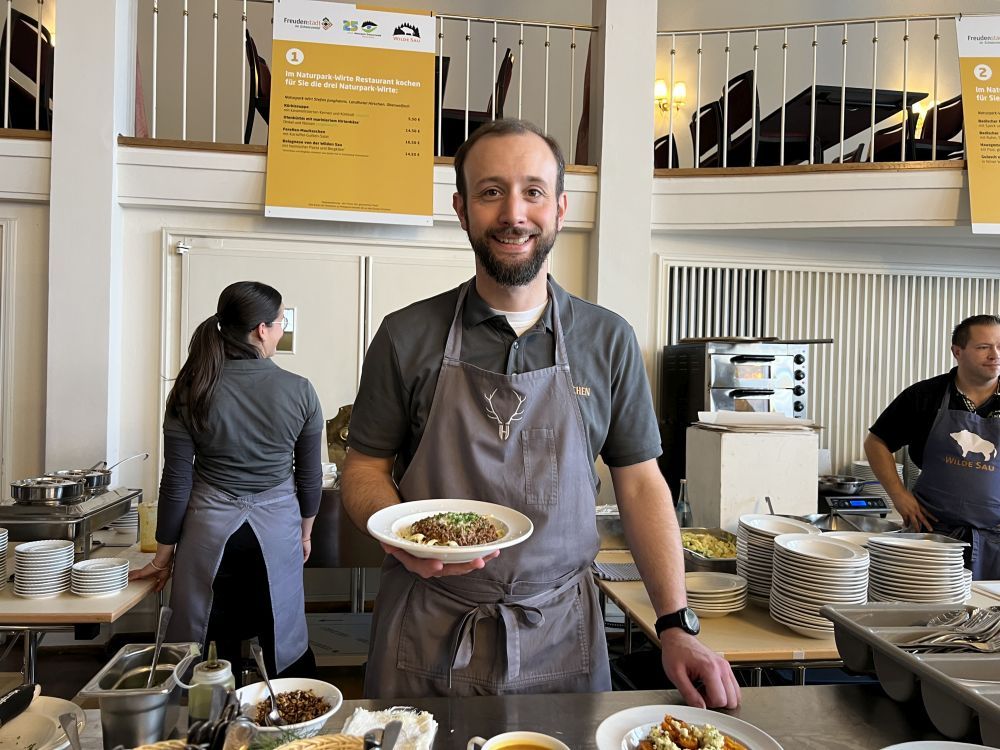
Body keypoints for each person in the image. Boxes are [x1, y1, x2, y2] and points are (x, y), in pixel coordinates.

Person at [341, 118, 740, 707]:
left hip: (561, 633)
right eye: (490, 191)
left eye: (532, 191)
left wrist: (675, 624)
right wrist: (400, 537)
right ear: (461, 209)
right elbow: (363, 469)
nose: (513, 214)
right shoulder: (406, 336)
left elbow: (639, 483)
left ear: (559, 207)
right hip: (428, 627)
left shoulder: (608, 340)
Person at [130, 281, 324, 677]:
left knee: (208, 649)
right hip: (275, 537)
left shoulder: (190, 389)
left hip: (208, 537)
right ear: (261, 330)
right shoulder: (300, 391)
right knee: (278, 635)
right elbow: (309, 477)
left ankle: (209, 726)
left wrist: (163, 556)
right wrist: (305, 533)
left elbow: (177, 482)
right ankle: (286, 722)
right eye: (281, 322)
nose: (282, 330)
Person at [864, 314, 1000, 579]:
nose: (994, 354)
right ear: (957, 351)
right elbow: (877, 442)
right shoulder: (925, 396)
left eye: (999, 346)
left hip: (995, 541)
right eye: (983, 347)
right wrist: (899, 495)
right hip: (932, 536)